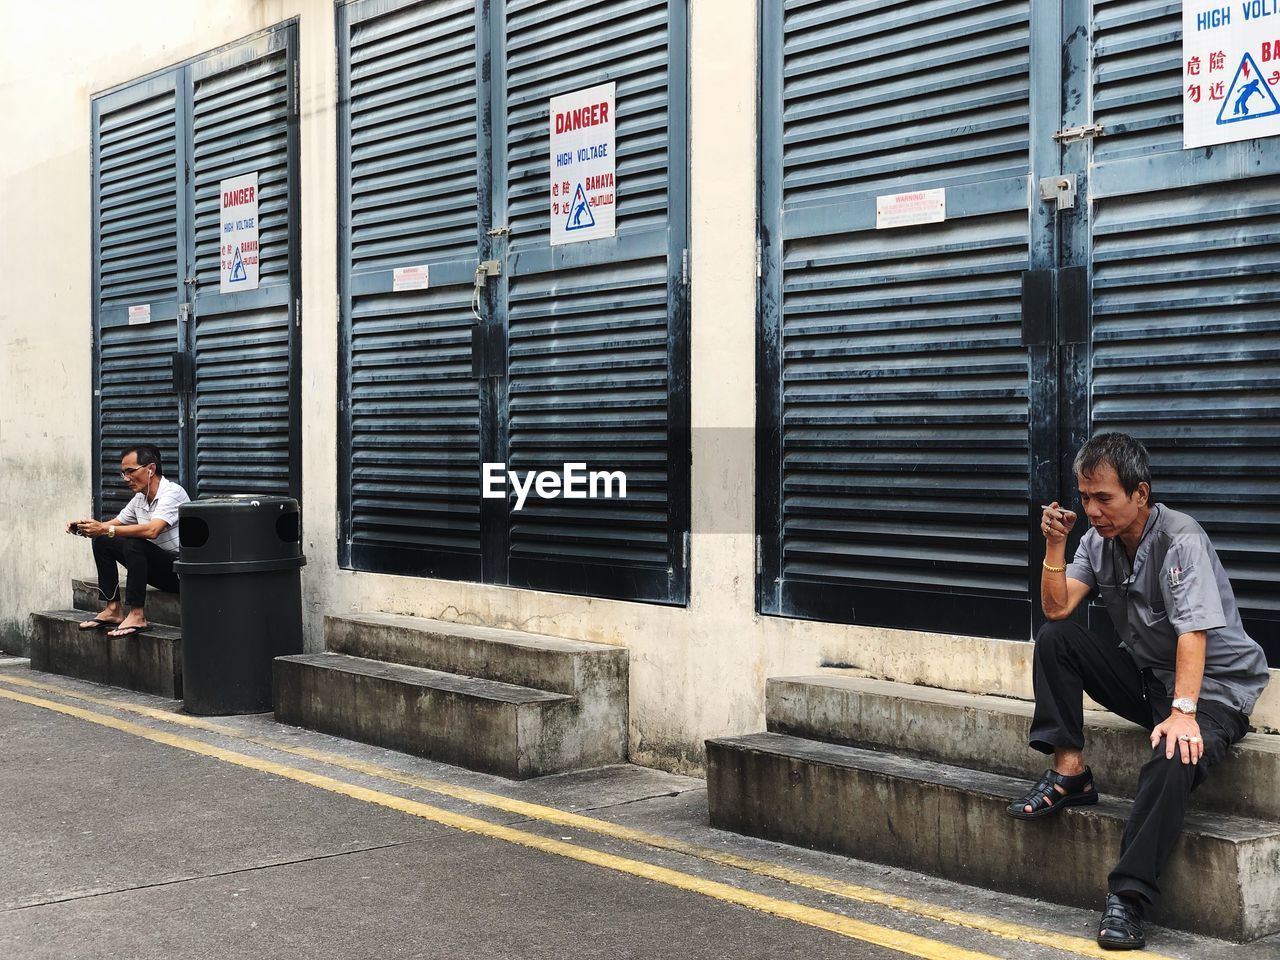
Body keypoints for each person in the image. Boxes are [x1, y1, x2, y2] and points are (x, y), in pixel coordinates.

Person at [1007, 432, 1269, 950]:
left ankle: (1128, 897)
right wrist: (1055, 546)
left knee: (1175, 750)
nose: (1093, 510)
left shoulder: (1181, 539)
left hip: (1214, 690)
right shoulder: (1095, 543)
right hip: (1151, 679)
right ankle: (1070, 774)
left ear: (1141, 494)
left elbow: (1193, 632)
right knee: (1058, 639)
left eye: (1104, 498)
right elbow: (1058, 609)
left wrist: (1185, 712)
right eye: (1085, 498)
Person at [66, 444, 190, 638]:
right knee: (103, 541)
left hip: (180, 574)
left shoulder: (173, 493)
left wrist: (105, 528)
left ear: (150, 469)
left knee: (134, 542)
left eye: (131, 471)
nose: (126, 478)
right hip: (159, 570)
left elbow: (152, 530)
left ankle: (137, 615)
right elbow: (111, 525)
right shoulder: (140, 498)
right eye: (123, 473)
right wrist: (86, 528)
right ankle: (113, 609)